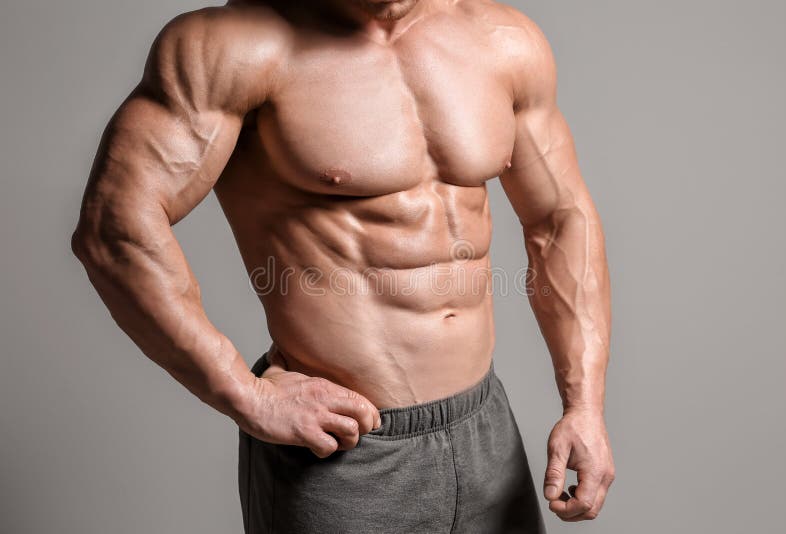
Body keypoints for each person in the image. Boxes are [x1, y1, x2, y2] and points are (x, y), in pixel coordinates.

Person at [72, 0, 614, 532]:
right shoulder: (235, 47)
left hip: (487, 429)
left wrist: (584, 406)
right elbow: (113, 227)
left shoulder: (502, 41)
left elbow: (559, 219)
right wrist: (245, 394)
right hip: (343, 449)